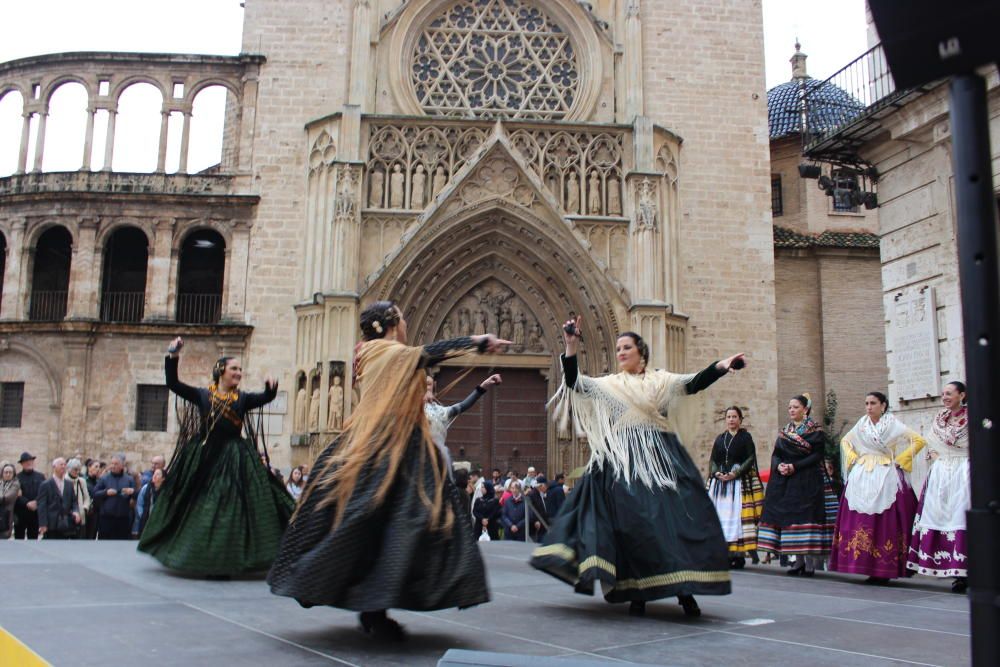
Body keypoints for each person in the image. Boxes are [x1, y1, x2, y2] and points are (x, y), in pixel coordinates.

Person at [267, 300, 509, 640]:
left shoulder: (372, 351)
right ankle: (364, 598)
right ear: (390, 323)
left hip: (385, 441)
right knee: (395, 520)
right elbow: (429, 353)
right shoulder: (384, 351)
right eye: (401, 316)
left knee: (381, 523)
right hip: (388, 444)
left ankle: (371, 602)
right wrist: (478, 341)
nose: (407, 321)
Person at [531, 316, 745, 618]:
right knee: (634, 528)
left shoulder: (662, 381)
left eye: (626, 347)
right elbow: (575, 382)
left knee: (678, 522)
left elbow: (694, 382)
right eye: (617, 348)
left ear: (640, 352)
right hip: (624, 463)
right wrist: (571, 344)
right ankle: (637, 593)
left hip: (661, 459)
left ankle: (685, 591)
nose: (620, 353)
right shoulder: (610, 385)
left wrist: (723, 366)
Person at [138, 337, 295, 575]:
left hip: (234, 457)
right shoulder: (202, 396)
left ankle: (228, 558)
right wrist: (173, 356)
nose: (238, 373)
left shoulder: (242, 399)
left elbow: (265, 398)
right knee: (197, 503)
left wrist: (270, 389)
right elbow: (173, 384)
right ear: (221, 371)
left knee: (230, 503)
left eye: (240, 369)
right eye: (234, 369)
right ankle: (193, 553)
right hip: (204, 455)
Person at [828, 392, 925, 583]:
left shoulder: (893, 424)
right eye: (866, 403)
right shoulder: (862, 424)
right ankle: (865, 563)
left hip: (886, 472)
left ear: (883, 405)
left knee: (885, 520)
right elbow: (845, 441)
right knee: (861, 520)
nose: (869, 407)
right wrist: (854, 458)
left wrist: (902, 459)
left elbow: (918, 440)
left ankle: (884, 568)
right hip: (863, 472)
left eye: (873, 403)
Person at [758, 394, 836, 576]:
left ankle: (809, 564)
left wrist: (795, 466)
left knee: (807, 518)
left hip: (808, 480)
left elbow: (816, 455)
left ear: (805, 409)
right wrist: (780, 466)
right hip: (787, 482)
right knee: (791, 520)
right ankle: (797, 562)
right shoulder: (785, 431)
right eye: (790, 407)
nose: (791, 410)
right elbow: (776, 453)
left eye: (795, 407)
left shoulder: (815, 431)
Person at [907, 381, 970, 593]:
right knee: (939, 516)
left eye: (949, 393)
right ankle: (951, 571)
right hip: (942, 471)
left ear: (962, 395)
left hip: (964, 470)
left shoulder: (973, 417)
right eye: (943, 394)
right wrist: (935, 455)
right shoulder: (939, 419)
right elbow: (931, 442)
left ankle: (965, 571)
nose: (945, 397)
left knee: (961, 517)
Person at [707, 406, 765, 569]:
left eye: (734, 417)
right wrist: (716, 473)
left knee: (737, 519)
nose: (731, 420)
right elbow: (713, 460)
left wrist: (736, 473)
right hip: (720, 485)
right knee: (721, 518)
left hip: (739, 484)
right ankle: (724, 554)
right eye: (728, 417)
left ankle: (738, 555)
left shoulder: (746, 438)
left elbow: (750, 458)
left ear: (740, 419)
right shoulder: (720, 438)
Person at [94, 455, 136, 539]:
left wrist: (131, 492)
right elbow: (95, 493)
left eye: (116, 464)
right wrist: (106, 492)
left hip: (123, 518)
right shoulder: (104, 478)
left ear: (122, 466)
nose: (113, 466)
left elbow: (135, 495)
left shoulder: (129, 479)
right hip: (106, 518)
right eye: (112, 463)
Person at [37, 458, 81, 539]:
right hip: (51, 524)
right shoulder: (45, 485)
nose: (63, 467)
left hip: (66, 523)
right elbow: (42, 505)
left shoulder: (69, 484)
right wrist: (43, 524)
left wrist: (76, 511)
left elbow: (74, 501)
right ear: (54, 467)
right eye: (61, 464)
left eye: (65, 465)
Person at [14, 451, 45, 540]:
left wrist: (36, 502)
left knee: (33, 538)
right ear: (22, 464)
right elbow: (16, 494)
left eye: (30, 460)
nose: (29, 463)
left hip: (35, 514)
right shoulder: (17, 478)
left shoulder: (40, 476)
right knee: (19, 538)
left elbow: (43, 493)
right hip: (21, 514)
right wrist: (27, 503)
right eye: (26, 461)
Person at [133, 469, 165, 538]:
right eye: (154, 474)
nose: (155, 476)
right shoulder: (146, 488)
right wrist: (143, 515)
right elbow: (139, 504)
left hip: (160, 521)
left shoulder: (166, 491)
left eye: (158, 474)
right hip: (146, 520)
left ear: (163, 478)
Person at [67, 458, 92, 539]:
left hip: (81, 516)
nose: (77, 472)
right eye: (75, 469)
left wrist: (85, 508)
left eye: (79, 470)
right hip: (68, 517)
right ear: (69, 469)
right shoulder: (64, 481)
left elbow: (87, 498)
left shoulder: (82, 481)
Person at [1, 462, 20, 539]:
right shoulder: (0, 483)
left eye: (10, 472)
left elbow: (7, 498)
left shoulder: (15, 484)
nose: (8, 474)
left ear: (13, 474)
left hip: (6, 517)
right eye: (6, 472)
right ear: (2, 474)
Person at [84, 460, 102, 540]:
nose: (98, 469)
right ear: (89, 468)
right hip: (87, 513)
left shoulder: (99, 482)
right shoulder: (83, 481)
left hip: (96, 513)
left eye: (99, 467)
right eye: (96, 466)